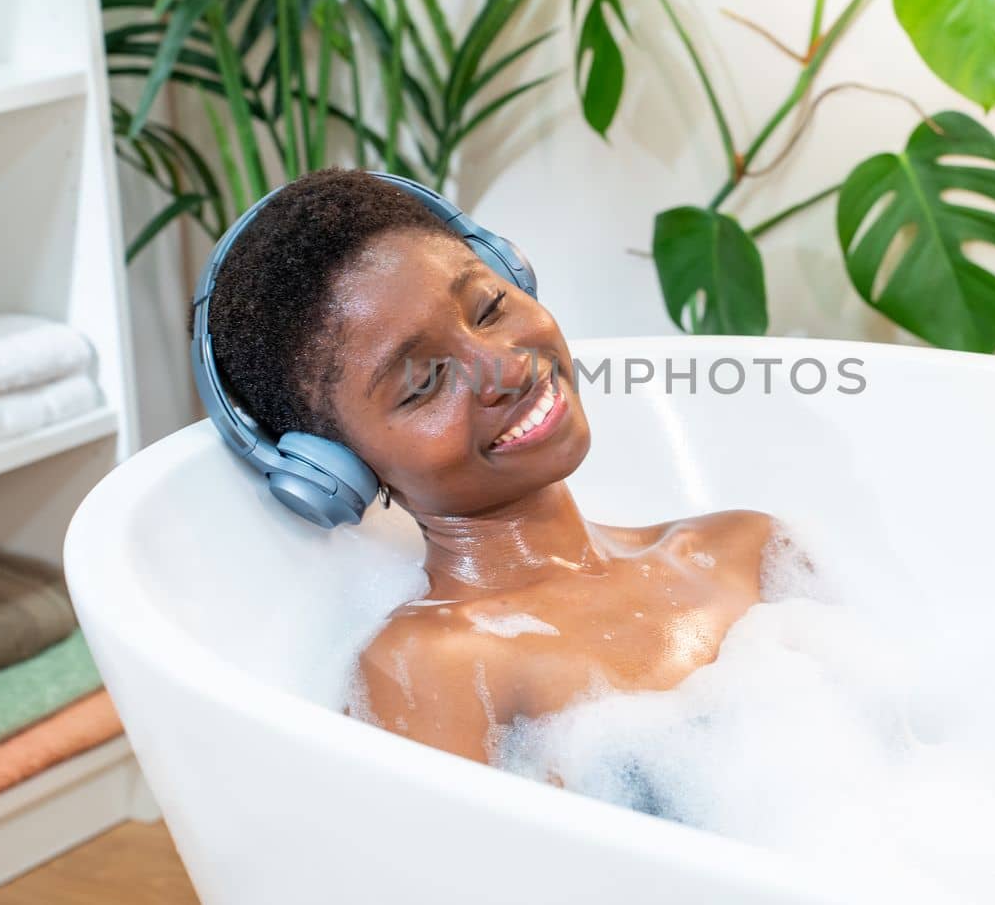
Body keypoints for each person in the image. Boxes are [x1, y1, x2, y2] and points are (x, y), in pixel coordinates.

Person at [205, 168, 782, 764]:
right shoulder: (434, 667)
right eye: (425, 381)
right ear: (338, 468)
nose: (505, 368)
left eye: (489, 308)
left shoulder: (750, 548)